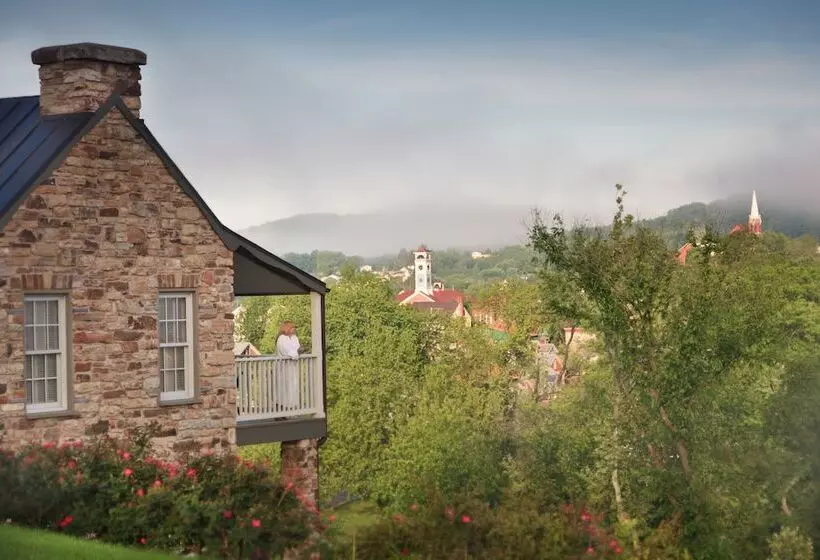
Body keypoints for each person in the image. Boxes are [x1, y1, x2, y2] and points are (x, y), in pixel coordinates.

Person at [275, 321, 302, 411]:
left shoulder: (294, 337)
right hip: (284, 367)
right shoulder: (281, 338)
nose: (294, 329)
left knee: (292, 387)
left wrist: (297, 352)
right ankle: (282, 408)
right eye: (292, 327)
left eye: (294, 327)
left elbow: (297, 348)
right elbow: (286, 352)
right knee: (284, 387)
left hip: (293, 366)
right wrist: (297, 352)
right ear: (286, 328)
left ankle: (291, 408)